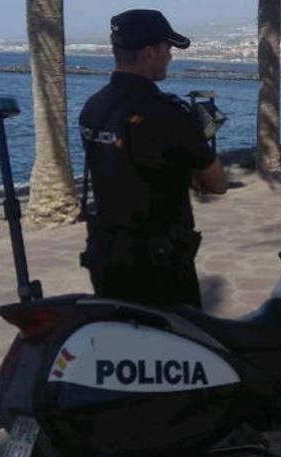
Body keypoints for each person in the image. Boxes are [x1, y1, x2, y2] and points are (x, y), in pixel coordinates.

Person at [78, 9, 228, 310]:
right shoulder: (168, 115)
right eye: (167, 49)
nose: (170, 56)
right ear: (149, 53)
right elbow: (218, 184)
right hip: (160, 267)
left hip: (106, 258)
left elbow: (125, 168)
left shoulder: (93, 109)